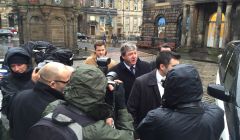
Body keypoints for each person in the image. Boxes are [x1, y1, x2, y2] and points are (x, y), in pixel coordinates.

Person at [27, 64, 134, 140]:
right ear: (98, 93)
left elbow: (80, 106)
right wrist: (121, 106)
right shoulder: (95, 130)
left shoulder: (54, 106)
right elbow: (129, 136)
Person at [137, 64, 224, 140]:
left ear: (170, 88)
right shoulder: (216, 114)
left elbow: (143, 133)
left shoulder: (156, 118)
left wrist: (166, 101)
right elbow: (202, 104)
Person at [9, 62, 74, 140]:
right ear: (53, 84)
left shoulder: (19, 95)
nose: (70, 84)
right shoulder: (56, 107)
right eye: (67, 82)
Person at [127, 51, 180, 132]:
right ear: (162, 66)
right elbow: (131, 111)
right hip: (147, 132)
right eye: (174, 66)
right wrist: (136, 134)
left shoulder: (179, 82)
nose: (178, 69)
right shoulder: (141, 82)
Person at [1, 47, 35, 117]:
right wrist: (32, 82)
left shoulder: (37, 75)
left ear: (26, 64)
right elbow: (13, 100)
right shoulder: (7, 80)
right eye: (13, 66)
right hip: (15, 116)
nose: (16, 69)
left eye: (19, 65)